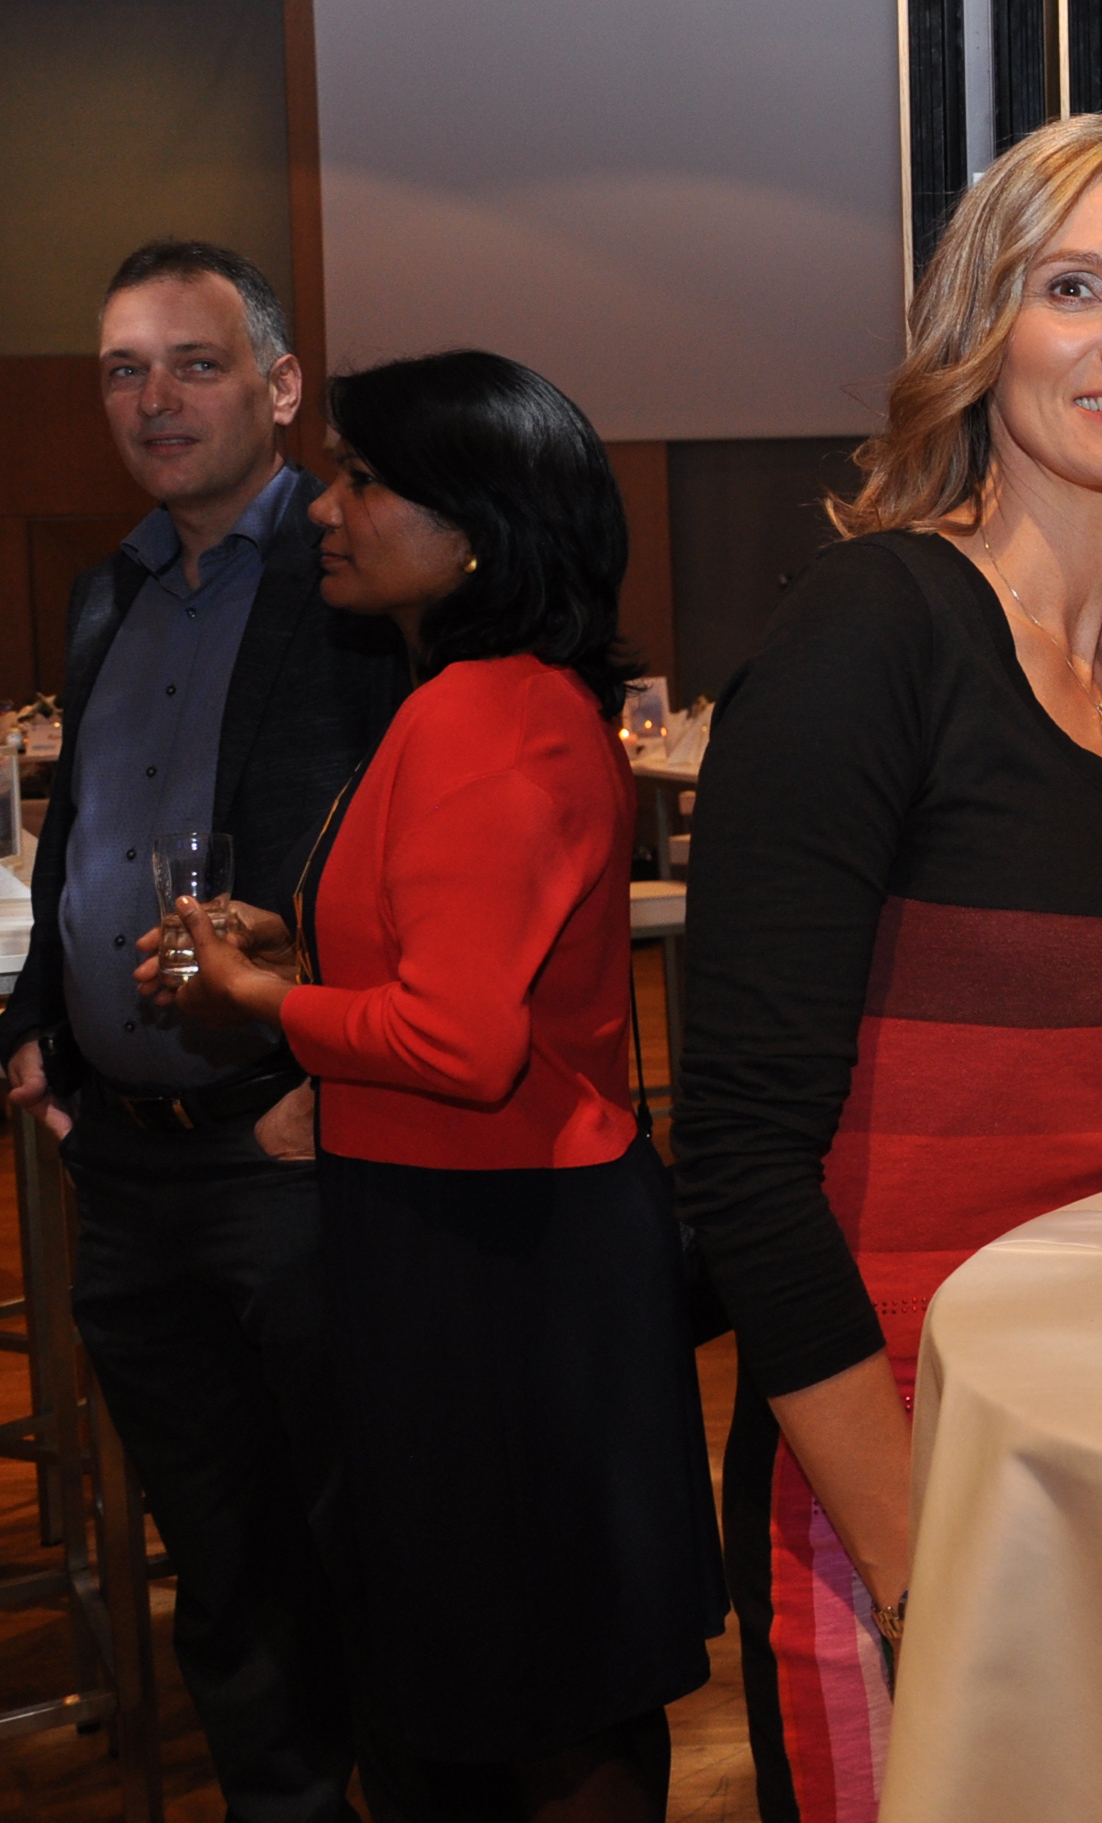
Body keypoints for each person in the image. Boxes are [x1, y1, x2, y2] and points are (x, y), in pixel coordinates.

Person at [671, 114, 1102, 1823]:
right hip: (900, 1461)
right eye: (1071, 288)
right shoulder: (875, 628)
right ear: (980, 328)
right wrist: (916, 1558)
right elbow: (740, 1155)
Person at [143, 349, 724, 1822]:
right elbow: (458, 956)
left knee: (539, 1687)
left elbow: (463, 1047)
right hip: (493, 1242)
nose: (324, 509)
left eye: (362, 481)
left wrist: (256, 999)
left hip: (501, 1259)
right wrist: (294, 944)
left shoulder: (482, 715)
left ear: (475, 527)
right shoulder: (498, 699)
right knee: (541, 1675)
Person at [1, 240, 409, 1823]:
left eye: (196, 363)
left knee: (354, 1532)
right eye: (124, 369)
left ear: (281, 387)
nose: (154, 400)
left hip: (286, 1148)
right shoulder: (106, 590)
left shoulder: (353, 578)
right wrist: (43, 1025)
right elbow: (86, 823)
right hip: (126, 1166)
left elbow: (405, 852)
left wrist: (323, 1063)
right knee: (221, 1564)